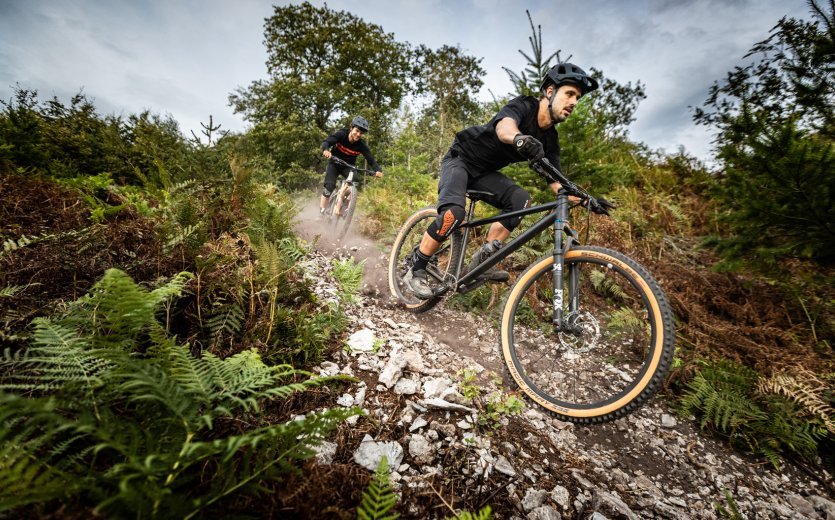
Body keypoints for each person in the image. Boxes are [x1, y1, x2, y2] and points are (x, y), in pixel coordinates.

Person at [405, 63, 614, 299]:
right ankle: (417, 269)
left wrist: (587, 200)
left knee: (521, 199)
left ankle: (482, 260)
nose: (574, 102)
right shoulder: (524, 105)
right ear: (549, 92)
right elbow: (504, 128)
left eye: (578, 97)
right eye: (569, 93)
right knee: (454, 213)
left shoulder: (550, 139)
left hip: (484, 173)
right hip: (460, 159)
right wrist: (519, 139)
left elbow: (558, 184)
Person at [319, 115, 383, 216]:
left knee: (355, 182)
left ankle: (346, 210)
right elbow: (327, 142)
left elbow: (371, 160)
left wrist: (378, 170)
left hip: (348, 166)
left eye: (361, 133)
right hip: (334, 163)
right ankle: (322, 212)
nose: (358, 134)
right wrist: (326, 150)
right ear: (351, 128)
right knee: (329, 187)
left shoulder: (361, 145)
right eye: (357, 131)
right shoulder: (342, 134)